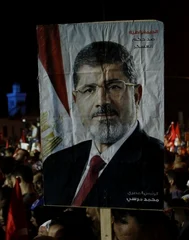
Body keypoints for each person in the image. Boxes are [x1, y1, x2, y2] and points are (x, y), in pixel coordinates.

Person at [43, 40, 164, 209]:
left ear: (136, 95)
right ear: (76, 100)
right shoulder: (55, 164)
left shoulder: (157, 162)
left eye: (114, 87)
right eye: (89, 90)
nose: (101, 100)